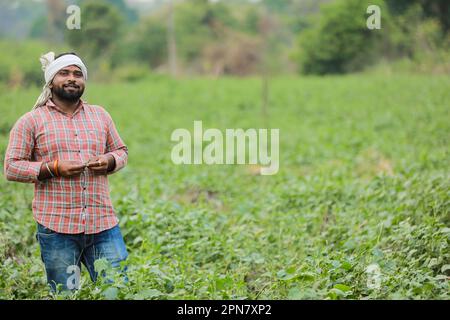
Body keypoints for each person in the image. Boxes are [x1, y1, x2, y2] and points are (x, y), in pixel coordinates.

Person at [4, 51, 129, 292]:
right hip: (57, 228)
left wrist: (109, 161)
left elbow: (121, 151)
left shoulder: (100, 116)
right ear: (51, 80)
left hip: (103, 224)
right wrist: (53, 168)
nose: (72, 78)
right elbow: (11, 167)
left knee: (117, 291)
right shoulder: (31, 121)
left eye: (77, 74)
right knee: (65, 294)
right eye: (64, 73)